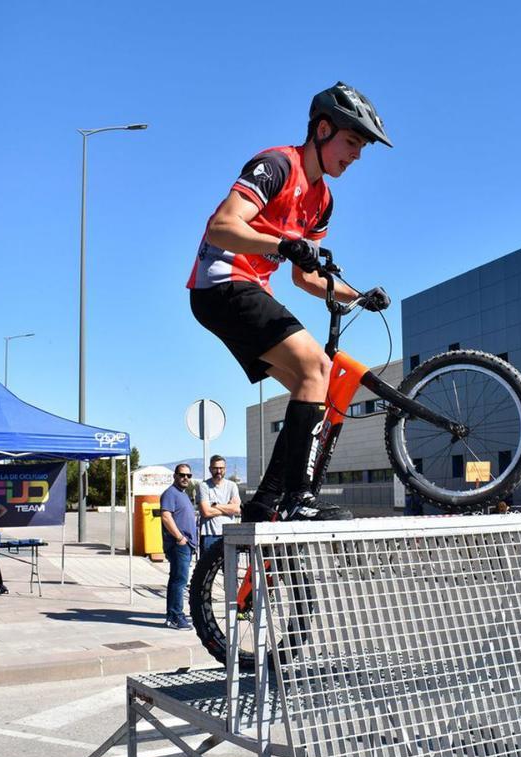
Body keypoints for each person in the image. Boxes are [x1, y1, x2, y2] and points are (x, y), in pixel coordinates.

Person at [188, 82, 392, 524]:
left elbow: (305, 277)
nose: (356, 155)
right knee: (317, 366)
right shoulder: (277, 165)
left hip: (248, 291)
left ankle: (264, 502)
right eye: (352, 141)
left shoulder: (323, 201)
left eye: (362, 148)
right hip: (221, 281)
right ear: (322, 129)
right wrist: (283, 242)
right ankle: (299, 497)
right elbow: (221, 227)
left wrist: (358, 296)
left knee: (311, 387)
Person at [159, 464, 198, 630]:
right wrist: (180, 537)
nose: (185, 478)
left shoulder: (183, 494)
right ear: (175, 475)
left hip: (185, 545)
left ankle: (171, 616)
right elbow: (166, 516)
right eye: (182, 475)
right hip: (178, 545)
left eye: (188, 475)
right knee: (180, 581)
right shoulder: (170, 494)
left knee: (176, 579)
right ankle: (176, 616)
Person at [196, 455, 241, 555]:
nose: (219, 471)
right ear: (210, 469)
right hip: (209, 535)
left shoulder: (232, 486)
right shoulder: (204, 486)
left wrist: (215, 506)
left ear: (225, 469)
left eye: (221, 468)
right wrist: (228, 507)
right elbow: (206, 512)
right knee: (207, 569)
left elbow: (237, 509)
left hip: (229, 534)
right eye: (215, 468)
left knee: (230, 569)